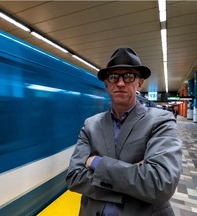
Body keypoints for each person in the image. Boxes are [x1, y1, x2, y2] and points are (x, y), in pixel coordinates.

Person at [66, 47, 182, 216]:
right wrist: (135, 177)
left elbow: (160, 184)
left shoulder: (161, 121)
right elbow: (74, 177)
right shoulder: (90, 125)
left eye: (128, 76)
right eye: (113, 77)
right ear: (106, 84)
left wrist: (96, 163)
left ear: (139, 83)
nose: (120, 83)